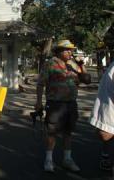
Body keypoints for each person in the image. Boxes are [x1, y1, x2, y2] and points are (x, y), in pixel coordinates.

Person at [35, 39, 90, 173]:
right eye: (67, 50)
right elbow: (41, 83)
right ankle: (48, 159)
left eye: (71, 50)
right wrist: (38, 102)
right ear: (59, 51)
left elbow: (87, 80)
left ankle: (67, 159)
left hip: (71, 103)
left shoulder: (73, 65)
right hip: (55, 104)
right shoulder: (50, 64)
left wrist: (81, 65)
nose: (70, 52)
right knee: (52, 132)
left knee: (68, 132)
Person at [90, 61, 114, 171]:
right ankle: (106, 158)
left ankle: (106, 158)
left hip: (108, 108)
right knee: (106, 134)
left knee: (106, 133)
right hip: (109, 108)